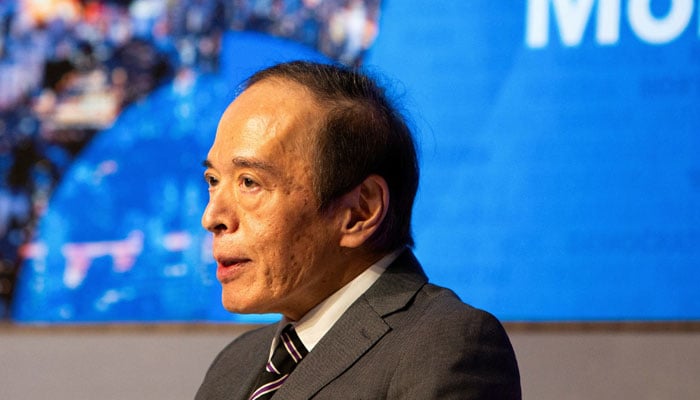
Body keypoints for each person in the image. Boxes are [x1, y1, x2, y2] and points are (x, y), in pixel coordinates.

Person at [195, 61, 521, 400]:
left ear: (360, 211)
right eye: (213, 181)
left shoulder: (445, 347)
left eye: (250, 182)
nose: (211, 217)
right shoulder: (234, 364)